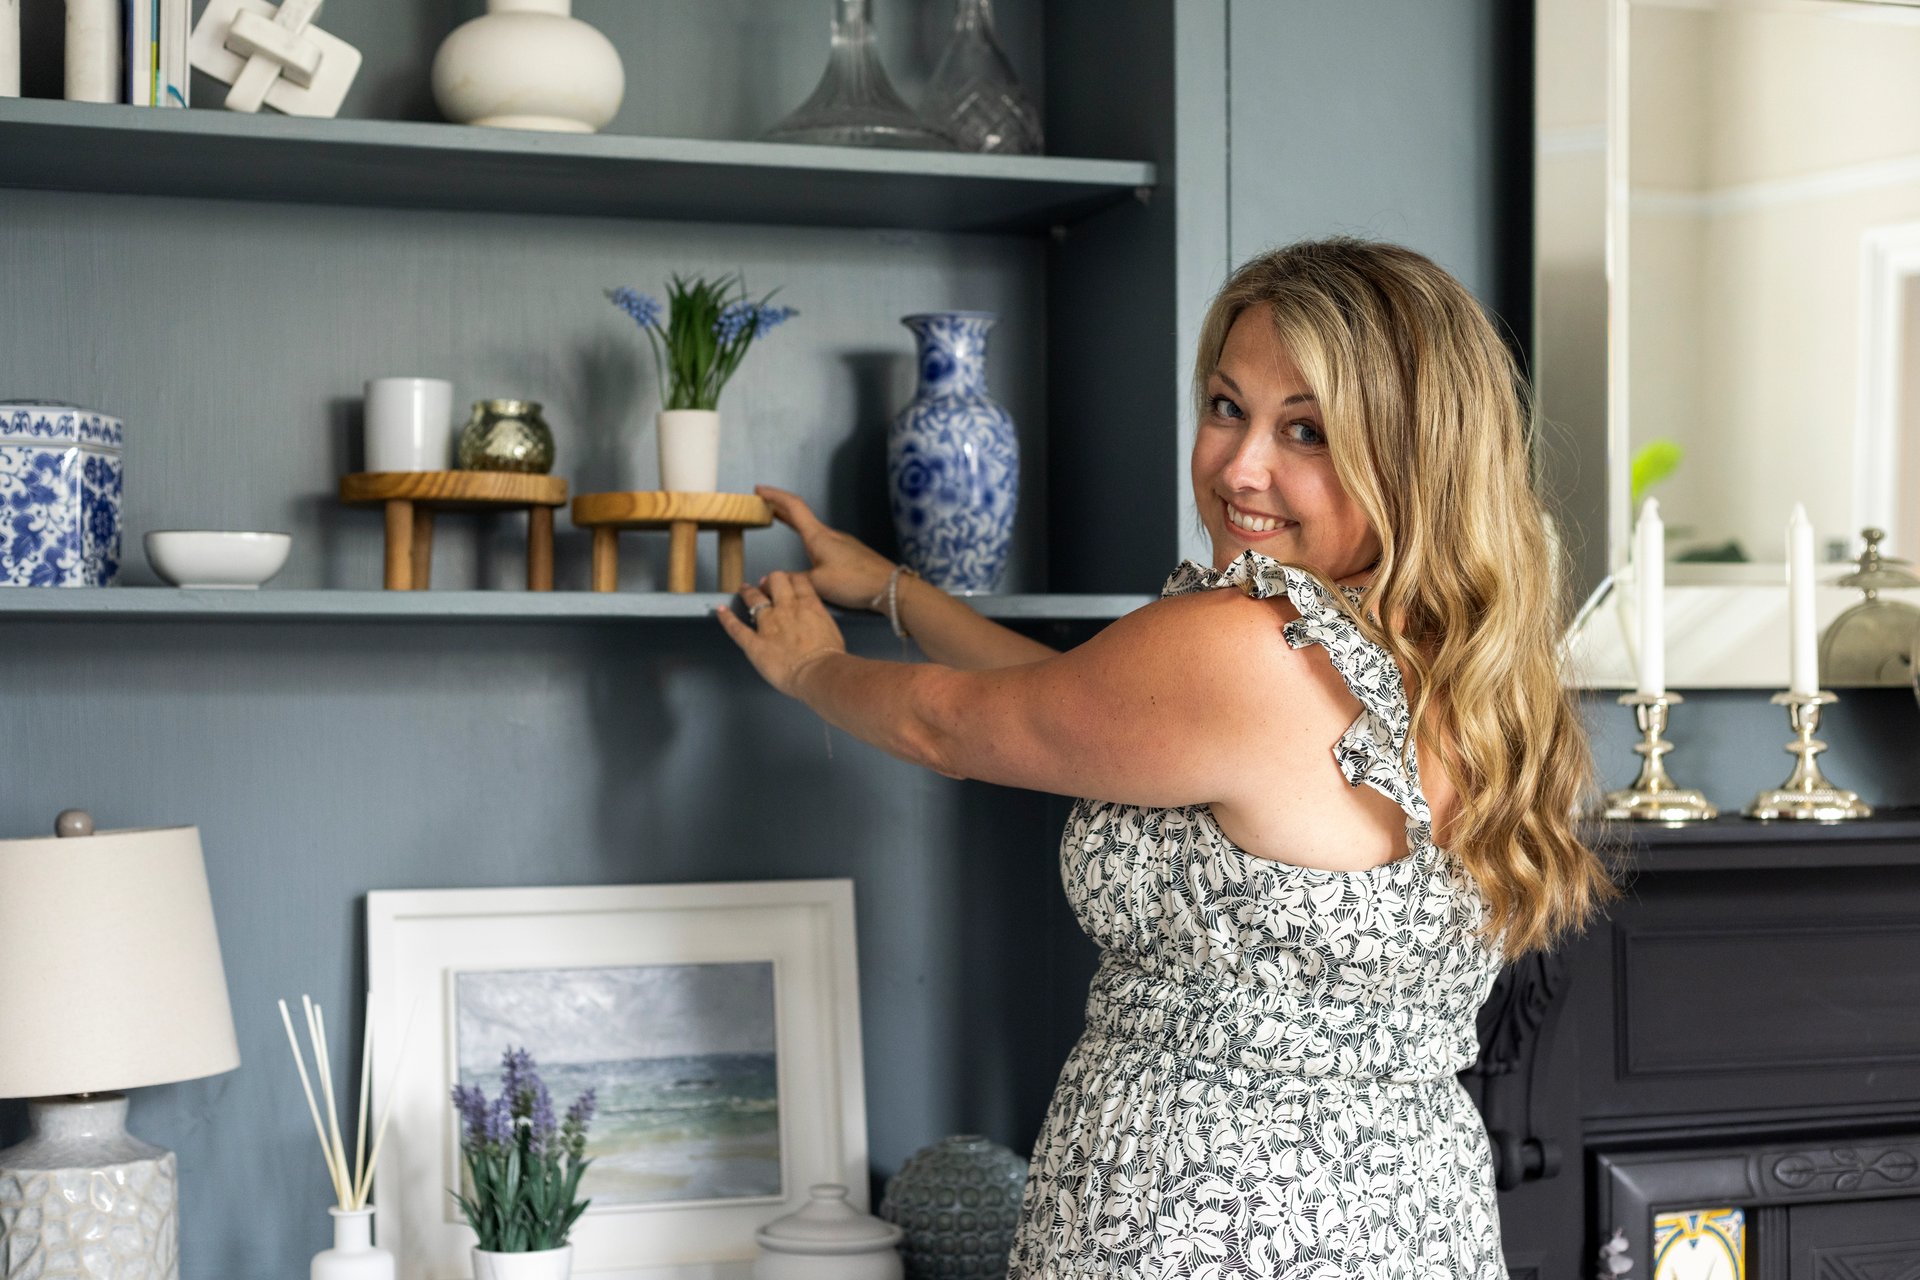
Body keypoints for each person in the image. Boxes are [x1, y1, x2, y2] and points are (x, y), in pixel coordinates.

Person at [715, 238, 1615, 1277]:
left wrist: (810, 669)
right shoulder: (1475, 668)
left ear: (1415, 453)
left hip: (1200, 1219)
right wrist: (892, 591)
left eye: (1307, 430)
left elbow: (952, 725)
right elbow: (1091, 712)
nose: (1241, 467)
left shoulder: (1248, 644)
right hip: (1408, 1219)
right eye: (1228, 406)